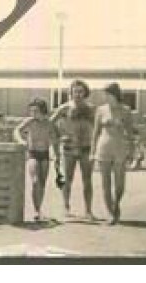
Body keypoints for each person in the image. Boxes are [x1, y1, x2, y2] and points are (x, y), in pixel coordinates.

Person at [50, 80, 97, 220]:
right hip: (69, 148)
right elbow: (50, 123)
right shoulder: (64, 108)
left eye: (81, 91)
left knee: (87, 180)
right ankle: (66, 207)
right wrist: (60, 135)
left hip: (86, 148)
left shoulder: (91, 108)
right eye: (75, 91)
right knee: (67, 180)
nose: (78, 94)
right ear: (70, 92)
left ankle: (88, 211)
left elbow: (97, 126)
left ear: (85, 92)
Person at [92, 83, 135, 224]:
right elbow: (96, 132)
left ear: (115, 94)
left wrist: (132, 150)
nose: (105, 97)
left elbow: (130, 133)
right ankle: (110, 213)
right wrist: (92, 151)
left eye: (108, 94)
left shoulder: (126, 110)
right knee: (105, 183)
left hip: (120, 147)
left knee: (119, 182)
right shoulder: (100, 110)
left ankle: (116, 203)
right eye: (105, 94)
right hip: (103, 147)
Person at [14, 98, 60, 225]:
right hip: (32, 153)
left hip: (44, 154)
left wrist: (57, 155)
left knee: (42, 184)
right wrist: (21, 141)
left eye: (36, 111)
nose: (33, 113)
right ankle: (36, 211)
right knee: (35, 181)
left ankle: (38, 210)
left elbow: (55, 140)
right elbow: (16, 130)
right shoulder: (29, 121)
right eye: (31, 111)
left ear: (42, 111)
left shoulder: (49, 123)